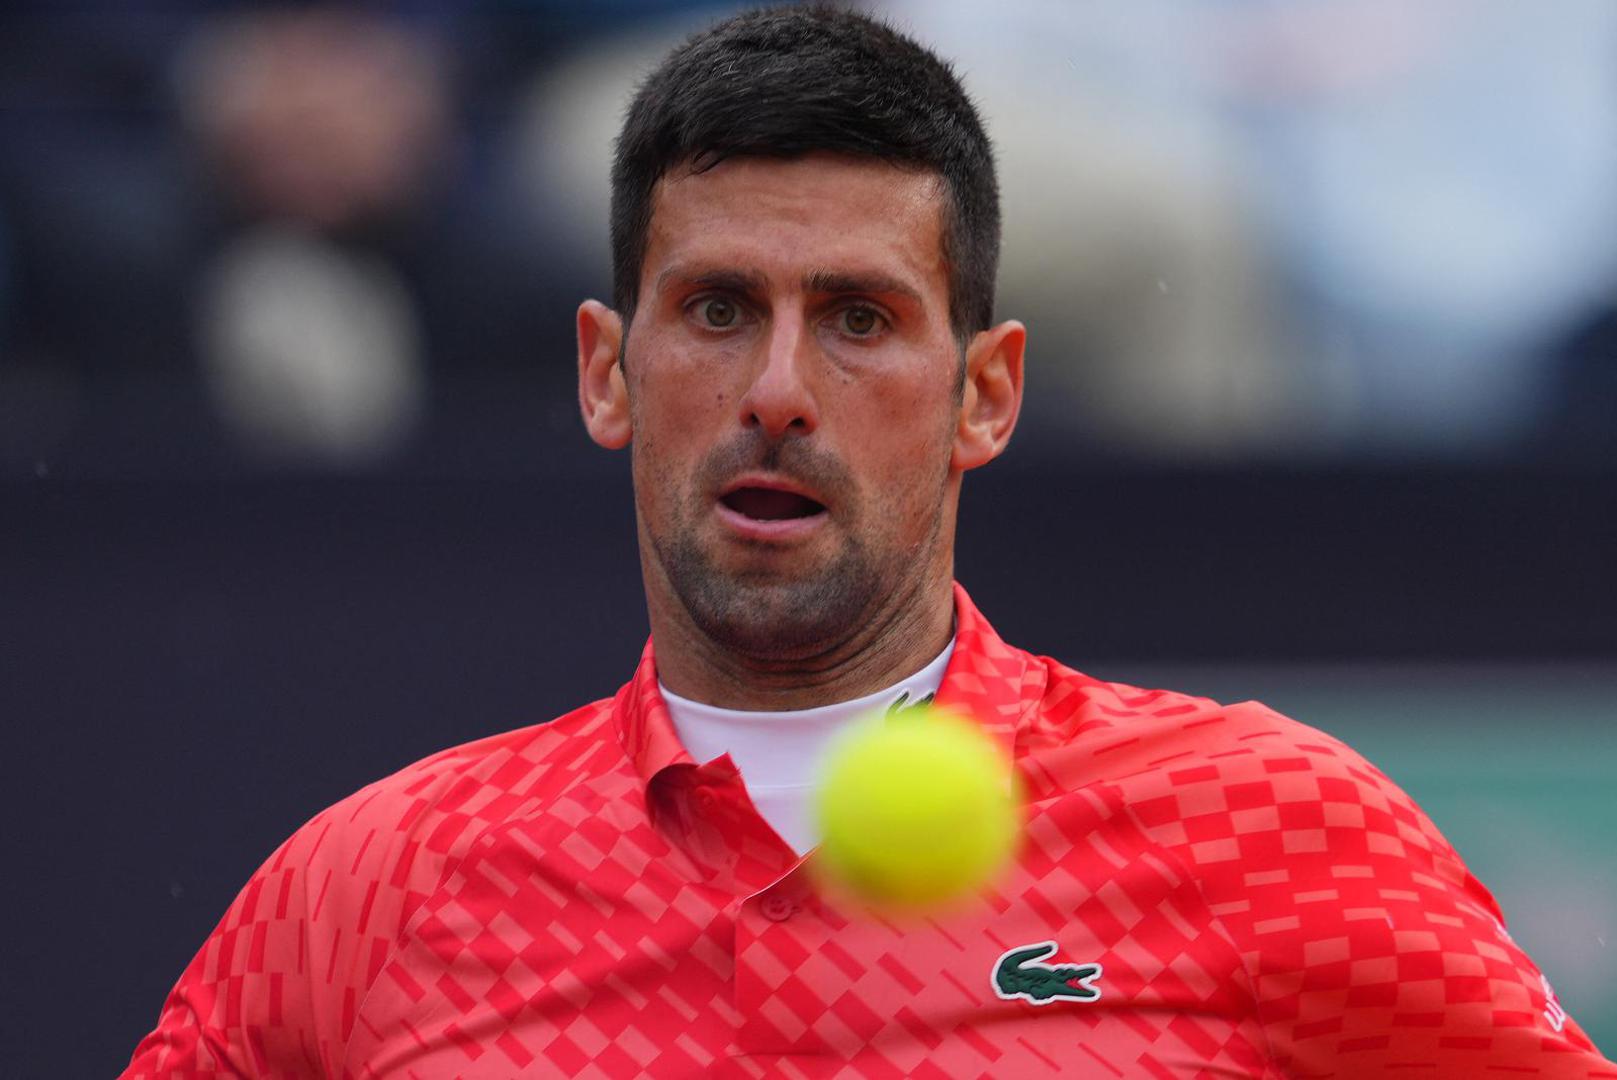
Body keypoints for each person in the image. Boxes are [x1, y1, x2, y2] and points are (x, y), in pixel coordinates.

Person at [124, 7, 1611, 1077]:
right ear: (605, 372)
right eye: (717, 310)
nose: (777, 390)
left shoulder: (1268, 826)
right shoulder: (372, 891)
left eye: (858, 318)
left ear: (985, 395)